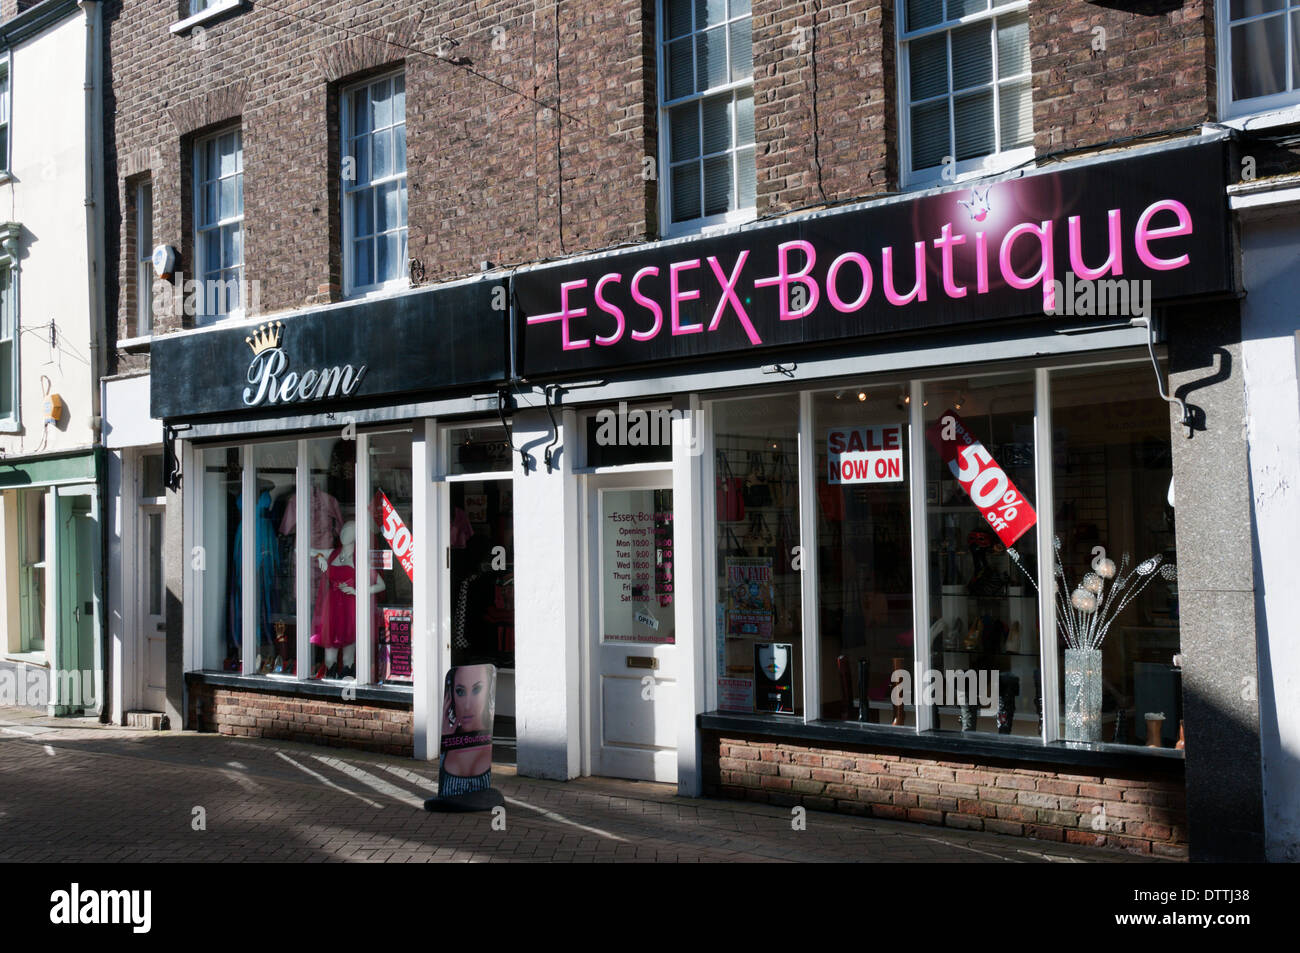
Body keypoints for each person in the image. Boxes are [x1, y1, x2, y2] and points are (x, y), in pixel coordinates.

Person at [439, 664, 495, 796]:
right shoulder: (446, 748)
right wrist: (446, 740)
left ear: (488, 692)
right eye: (460, 692)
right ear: (451, 695)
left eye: (477, 690)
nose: (467, 705)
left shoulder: (489, 742)